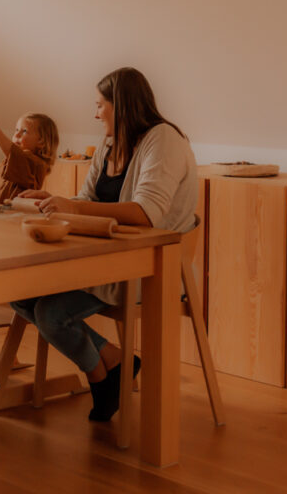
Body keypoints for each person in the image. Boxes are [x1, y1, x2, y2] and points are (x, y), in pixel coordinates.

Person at [14, 67, 197, 422]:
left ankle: (101, 374)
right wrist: (52, 200)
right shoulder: (109, 144)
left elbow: (147, 213)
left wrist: (73, 207)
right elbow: (85, 199)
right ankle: (113, 361)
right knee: (21, 293)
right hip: (106, 258)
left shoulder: (164, 140)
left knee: (51, 314)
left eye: (100, 105)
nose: (95, 114)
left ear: (122, 105)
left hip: (148, 267)